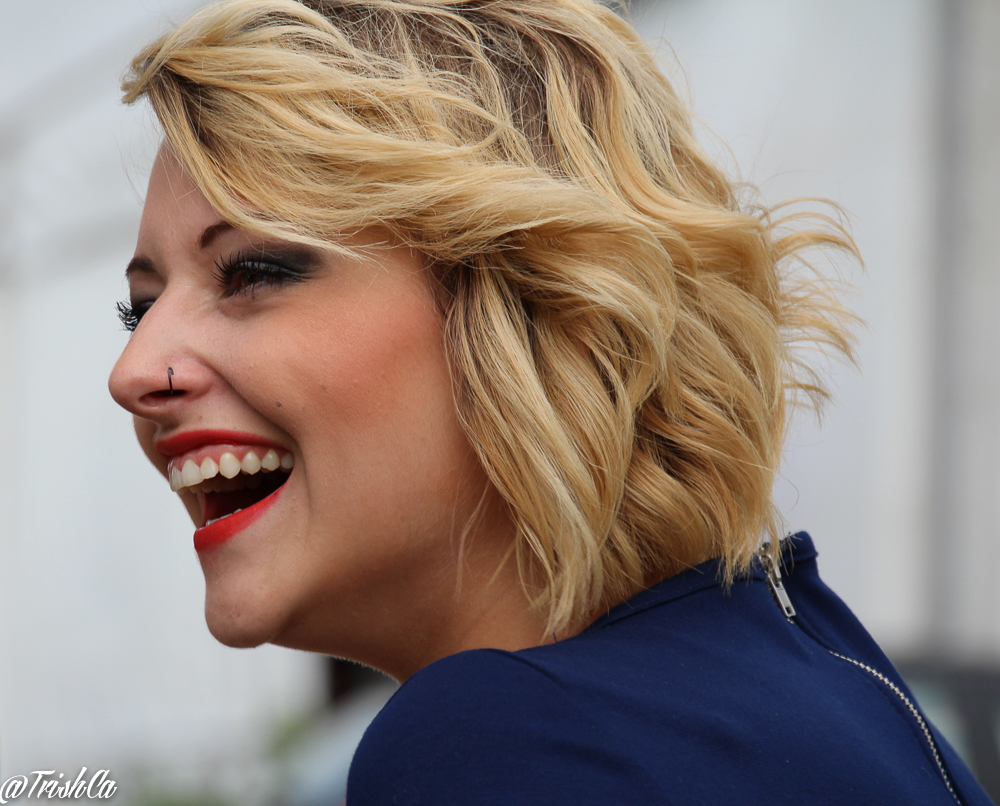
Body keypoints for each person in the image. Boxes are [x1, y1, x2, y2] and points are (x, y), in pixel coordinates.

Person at [108, 0, 994, 803]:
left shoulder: (503, 743)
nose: (135, 370)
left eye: (253, 272)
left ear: (533, 297)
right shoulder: (836, 684)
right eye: (139, 308)